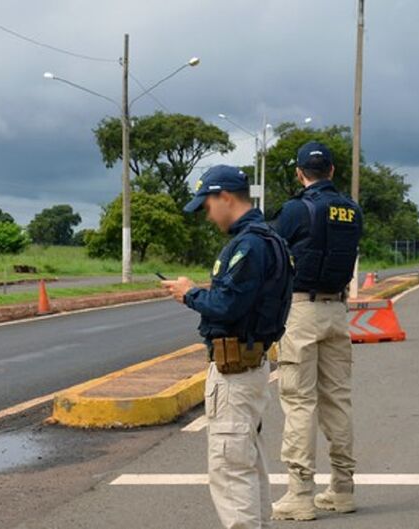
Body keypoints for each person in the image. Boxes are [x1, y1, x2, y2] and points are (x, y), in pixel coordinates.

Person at [162, 165, 293, 529]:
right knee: (248, 464)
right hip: (253, 365)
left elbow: (226, 306)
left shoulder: (248, 245)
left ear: (225, 197)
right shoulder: (271, 239)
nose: (206, 213)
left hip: (235, 371)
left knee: (231, 471)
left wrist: (189, 293)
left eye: (207, 204)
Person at [269, 142, 363, 521]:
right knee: (337, 399)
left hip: (302, 310)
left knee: (299, 401)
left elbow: (273, 253)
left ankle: (300, 493)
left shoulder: (295, 210)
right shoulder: (352, 211)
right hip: (338, 311)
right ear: (333, 171)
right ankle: (342, 488)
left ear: (299, 172)